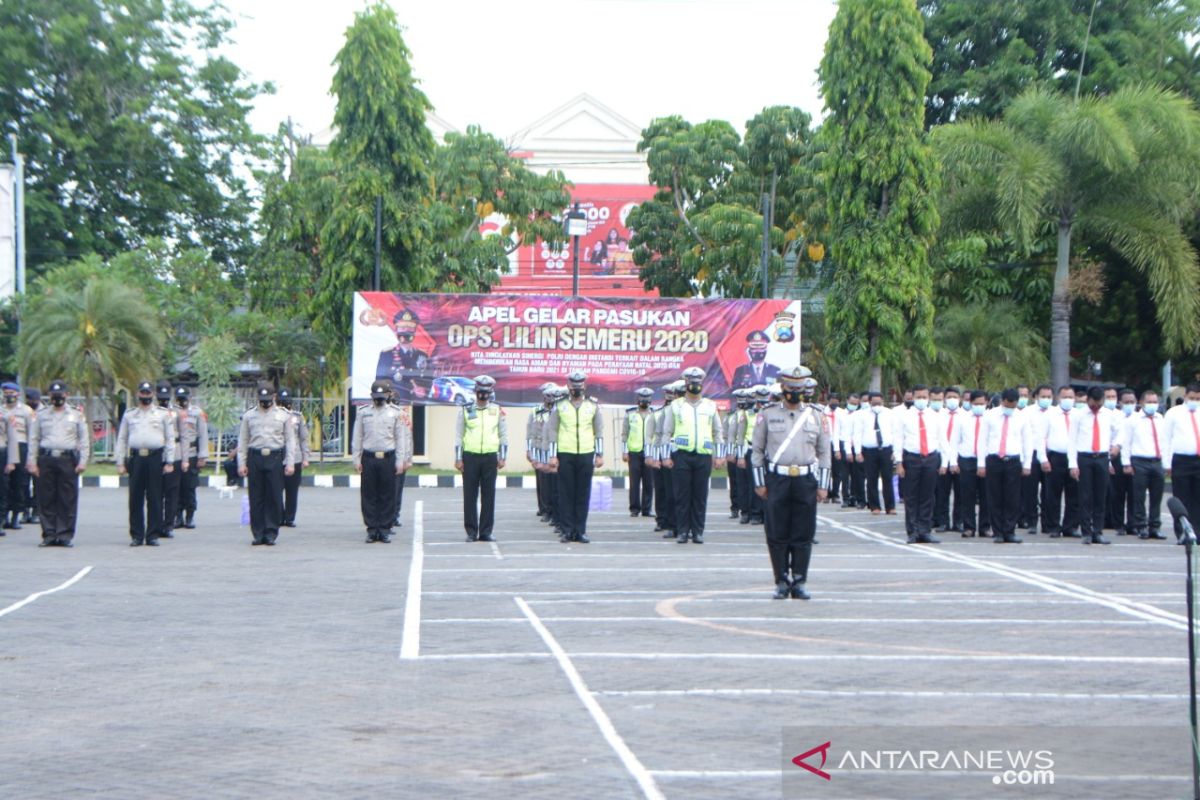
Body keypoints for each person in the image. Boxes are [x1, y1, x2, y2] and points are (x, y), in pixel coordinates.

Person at [751, 366, 831, 600]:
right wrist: (760, 482)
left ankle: (799, 580)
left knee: (803, 532)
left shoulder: (817, 415)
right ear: (782, 387)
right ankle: (781, 581)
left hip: (805, 479)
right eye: (790, 387)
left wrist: (823, 485)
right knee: (776, 532)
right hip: (777, 479)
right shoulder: (767, 413)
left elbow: (824, 452)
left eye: (799, 388)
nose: (794, 392)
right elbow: (757, 451)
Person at [660, 367, 726, 544]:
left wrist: (719, 456)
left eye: (698, 382)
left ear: (702, 384)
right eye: (692, 382)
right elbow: (667, 432)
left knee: (700, 495)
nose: (695, 385)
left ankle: (697, 531)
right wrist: (665, 456)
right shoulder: (676, 406)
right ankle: (682, 531)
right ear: (686, 383)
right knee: (682, 495)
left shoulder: (710, 406)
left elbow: (718, 432)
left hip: (703, 455)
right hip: (681, 455)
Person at [28, 380, 88, 547]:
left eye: (60, 395)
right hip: (46, 459)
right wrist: (31, 462)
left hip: (67, 459)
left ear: (66, 395)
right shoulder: (41, 415)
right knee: (46, 498)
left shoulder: (76, 414)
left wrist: (83, 461)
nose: (57, 398)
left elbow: (84, 439)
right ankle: (49, 534)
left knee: (67, 499)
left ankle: (64, 535)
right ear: (50, 396)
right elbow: (34, 439)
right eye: (54, 396)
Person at [237, 383, 298, 546]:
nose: (264, 402)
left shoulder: (283, 415)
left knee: (274, 497)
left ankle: (271, 532)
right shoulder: (249, 415)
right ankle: (257, 533)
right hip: (255, 457)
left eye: (268, 398)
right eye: (261, 399)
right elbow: (243, 440)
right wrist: (241, 463)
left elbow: (291, 440)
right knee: (256, 497)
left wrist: (290, 462)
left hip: (275, 457)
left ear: (274, 397)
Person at [546, 371, 604, 544]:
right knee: (566, 494)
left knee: (582, 494)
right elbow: (553, 430)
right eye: (573, 385)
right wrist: (552, 455)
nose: (576, 388)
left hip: (586, 453)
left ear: (584, 386)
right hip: (565, 453)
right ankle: (567, 531)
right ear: (568, 386)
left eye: (579, 385)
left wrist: (599, 454)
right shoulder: (560, 405)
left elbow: (598, 430)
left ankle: (580, 531)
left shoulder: (592, 405)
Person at [116, 381, 176, 546]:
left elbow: (170, 438)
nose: (145, 396)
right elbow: (122, 439)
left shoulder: (163, 414)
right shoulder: (130, 415)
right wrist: (120, 462)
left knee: (155, 497)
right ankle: (136, 535)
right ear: (138, 394)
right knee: (135, 497)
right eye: (143, 393)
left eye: (148, 393)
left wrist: (169, 461)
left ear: (153, 394)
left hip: (155, 458)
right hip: (136, 459)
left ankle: (152, 535)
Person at [352, 380, 412, 543]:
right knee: (369, 495)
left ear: (387, 395)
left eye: (382, 396)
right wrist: (356, 459)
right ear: (372, 396)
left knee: (387, 495)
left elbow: (401, 438)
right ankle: (372, 529)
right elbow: (357, 436)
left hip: (388, 457)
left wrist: (401, 460)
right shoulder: (363, 412)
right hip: (369, 458)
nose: (379, 399)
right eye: (376, 396)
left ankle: (384, 529)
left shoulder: (395, 413)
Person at [455, 375, 507, 542]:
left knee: (489, 495)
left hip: (490, 457)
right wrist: (458, 458)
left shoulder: (497, 410)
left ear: (490, 392)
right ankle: (471, 531)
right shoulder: (466, 409)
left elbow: (503, 434)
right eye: (480, 391)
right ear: (475, 391)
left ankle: (486, 531)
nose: (482, 395)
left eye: (486, 392)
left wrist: (502, 456)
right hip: (470, 456)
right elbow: (459, 435)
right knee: (470, 495)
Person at [978, 388, 1033, 543]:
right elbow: (982, 440)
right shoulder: (990, 415)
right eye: (1007, 406)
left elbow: (1027, 441)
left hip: (1013, 461)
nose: (1010, 409)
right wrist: (981, 464)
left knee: (1012, 498)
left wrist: (1027, 463)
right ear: (1002, 401)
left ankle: (1009, 531)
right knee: (994, 497)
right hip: (994, 459)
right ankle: (998, 532)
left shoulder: (1022, 417)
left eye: (1013, 406)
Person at [1068, 385, 1121, 545]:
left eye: (1099, 403)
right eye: (1093, 403)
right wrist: (1073, 464)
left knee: (1101, 496)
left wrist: (1117, 445)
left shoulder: (1108, 415)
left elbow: (1120, 431)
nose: (1096, 407)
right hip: (1085, 458)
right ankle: (1086, 532)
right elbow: (1071, 440)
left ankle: (1098, 531)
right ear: (1088, 399)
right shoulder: (1079, 415)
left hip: (1102, 458)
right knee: (1085, 496)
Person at [895, 385, 947, 544]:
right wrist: (899, 463)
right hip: (911, 458)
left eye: (924, 397)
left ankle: (925, 530)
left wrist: (944, 462)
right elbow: (898, 439)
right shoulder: (904, 416)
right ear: (913, 397)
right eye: (919, 397)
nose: (922, 400)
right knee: (911, 497)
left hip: (931, 457)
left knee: (928, 496)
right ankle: (912, 531)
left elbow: (942, 439)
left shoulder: (935, 415)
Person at [1121, 390, 1167, 540]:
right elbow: (1126, 443)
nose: (1152, 405)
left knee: (1156, 497)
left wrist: (1166, 463)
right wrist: (1126, 463)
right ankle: (1141, 526)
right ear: (1141, 403)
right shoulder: (1133, 420)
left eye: (1155, 402)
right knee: (1139, 497)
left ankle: (1155, 526)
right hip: (1139, 461)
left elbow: (1164, 442)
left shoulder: (1160, 418)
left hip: (1156, 461)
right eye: (1149, 402)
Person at [1039, 386, 1081, 538]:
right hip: (1055, 457)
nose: (1068, 400)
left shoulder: (1079, 414)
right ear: (1058, 398)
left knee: (1074, 494)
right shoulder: (1050, 414)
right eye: (1065, 397)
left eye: (1070, 397)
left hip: (1074, 459)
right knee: (1053, 495)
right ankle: (1053, 526)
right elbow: (1041, 437)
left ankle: (1070, 526)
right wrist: (1043, 458)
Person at [947, 390, 990, 537]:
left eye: (982, 404)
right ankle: (969, 526)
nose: (979, 406)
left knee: (986, 495)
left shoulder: (991, 419)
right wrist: (953, 461)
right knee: (967, 496)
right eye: (976, 404)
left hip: (986, 461)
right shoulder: (962, 419)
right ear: (970, 403)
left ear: (987, 403)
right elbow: (954, 441)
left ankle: (985, 527)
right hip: (967, 460)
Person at [1163, 382, 1200, 544]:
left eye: (1198, 398)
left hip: (1198, 459)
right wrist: (1167, 463)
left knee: (1197, 500)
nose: (1195, 401)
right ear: (1185, 396)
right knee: (1182, 499)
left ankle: (1197, 533)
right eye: (1192, 398)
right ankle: (1182, 533)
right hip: (1181, 460)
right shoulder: (1174, 413)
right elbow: (1166, 438)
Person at [852, 391, 898, 515]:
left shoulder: (890, 414)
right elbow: (857, 434)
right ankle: (874, 506)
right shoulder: (861, 415)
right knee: (871, 479)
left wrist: (895, 451)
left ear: (882, 401)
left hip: (886, 450)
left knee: (887, 478)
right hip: (869, 451)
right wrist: (858, 452)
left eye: (879, 402)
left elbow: (895, 433)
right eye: (874, 402)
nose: (877, 405)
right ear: (870, 402)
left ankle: (890, 507)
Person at [375, 309, 431, 403]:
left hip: (418, 407)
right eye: (402, 327)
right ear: (396, 330)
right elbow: (380, 383)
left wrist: (424, 390)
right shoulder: (387, 355)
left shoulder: (422, 355)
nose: (406, 330)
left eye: (410, 327)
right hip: (395, 405)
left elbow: (429, 379)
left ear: (415, 331)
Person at [173, 386, 208, 529]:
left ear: (190, 397)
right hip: (176, 453)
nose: (182, 401)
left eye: (184, 397)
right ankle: (178, 516)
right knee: (176, 486)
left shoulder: (197, 413)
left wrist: (202, 456)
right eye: (179, 398)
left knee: (190, 487)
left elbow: (203, 435)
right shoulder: (171, 413)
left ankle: (190, 516)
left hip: (192, 453)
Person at [1, 382, 33, 530]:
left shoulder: (26, 411)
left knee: (19, 484)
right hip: (6, 447)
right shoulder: (1, 410)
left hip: (22, 446)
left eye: (11, 393)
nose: (9, 396)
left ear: (17, 394)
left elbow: (32, 433)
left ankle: (15, 516)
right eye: (6, 393)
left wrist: (31, 456)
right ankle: (4, 516)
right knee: (5, 485)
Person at [278, 388, 311, 528]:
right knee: (276, 490)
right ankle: (278, 517)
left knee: (292, 491)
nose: (285, 404)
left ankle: (289, 518)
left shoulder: (297, 416)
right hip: (278, 458)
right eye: (282, 401)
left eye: (287, 401)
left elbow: (303, 438)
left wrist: (305, 457)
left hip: (295, 458)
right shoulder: (275, 416)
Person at [1107, 387, 1138, 535]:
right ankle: (1118, 523)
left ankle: (1132, 523)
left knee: (1134, 493)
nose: (1129, 404)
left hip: (1135, 458)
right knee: (1118, 492)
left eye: (1132, 402)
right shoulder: (1114, 417)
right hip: (1117, 457)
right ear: (1120, 402)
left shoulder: (1139, 418)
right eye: (1126, 402)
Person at [650, 383, 679, 537]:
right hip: (666, 454)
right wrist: (656, 457)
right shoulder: (663, 413)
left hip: (685, 454)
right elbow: (658, 437)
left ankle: (686, 525)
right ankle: (666, 522)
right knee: (666, 492)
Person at [933, 386, 963, 531]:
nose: (952, 400)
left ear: (960, 399)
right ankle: (943, 521)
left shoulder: (965, 415)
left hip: (959, 459)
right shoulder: (938, 416)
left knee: (961, 492)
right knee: (941, 492)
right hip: (942, 458)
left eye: (955, 397)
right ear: (944, 399)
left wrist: (955, 459)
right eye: (949, 397)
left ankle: (958, 522)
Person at [155, 381, 183, 538]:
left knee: (172, 492)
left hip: (175, 453)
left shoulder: (177, 412)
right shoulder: (151, 412)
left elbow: (184, 436)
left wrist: (185, 458)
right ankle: (156, 523)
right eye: (161, 397)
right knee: (155, 492)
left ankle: (169, 525)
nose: (163, 401)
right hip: (157, 454)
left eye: (166, 397)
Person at [622, 387, 654, 518]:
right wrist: (624, 451)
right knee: (634, 482)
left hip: (649, 452)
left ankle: (647, 509)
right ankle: (634, 508)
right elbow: (625, 434)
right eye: (642, 398)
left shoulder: (654, 414)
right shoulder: (630, 414)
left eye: (646, 398)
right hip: (634, 452)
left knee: (649, 482)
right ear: (638, 399)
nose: (644, 401)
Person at [724, 390, 747, 520]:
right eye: (740, 399)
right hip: (733, 452)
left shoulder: (748, 414)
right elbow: (726, 436)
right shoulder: (731, 415)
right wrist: (729, 452)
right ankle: (735, 507)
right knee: (734, 482)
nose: (742, 401)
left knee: (744, 483)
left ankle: (746, 509)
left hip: (745, 451)